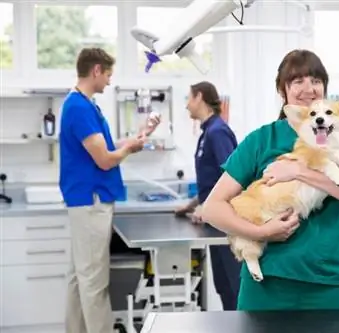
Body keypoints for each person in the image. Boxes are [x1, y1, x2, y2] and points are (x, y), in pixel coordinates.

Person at [202, 49, 339, 311]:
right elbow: (212, 208)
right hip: (268, 286)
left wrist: (299, 171)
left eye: (316, 81)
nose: (308, 89)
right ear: (282, 90)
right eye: (298, 81)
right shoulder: (262, 140)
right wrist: (262, 233)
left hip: (333, 284)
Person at [59, 47, 160, 333]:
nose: (109, 81)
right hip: (91, 201)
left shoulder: (84, 105)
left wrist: (137, 137)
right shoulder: (79, 107)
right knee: (93, 281)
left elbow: (106, 147)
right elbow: (104, 160)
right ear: (96, 71)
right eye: (108, 75)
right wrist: (129, 148)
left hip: (86, 200)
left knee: (79, 278)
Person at [175, 81, 241, 310]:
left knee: (234, 288)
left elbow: (233, 176)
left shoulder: (218, 132)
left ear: (199, 97)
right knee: (222, 285)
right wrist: (194, 203)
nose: (186, 106)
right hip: (214, 220)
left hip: (227, 222)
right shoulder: (207, 133)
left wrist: (208, 207)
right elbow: (213, 180)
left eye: (188, 99)